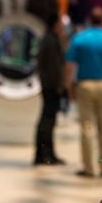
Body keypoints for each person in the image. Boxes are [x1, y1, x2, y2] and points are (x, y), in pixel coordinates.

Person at [64, 7, 102, 178]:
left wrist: (69, 87)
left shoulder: (79, 39)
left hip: (85, 85)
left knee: (86, 127)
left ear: (89, 20)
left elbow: (69, 66)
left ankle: (89, 168)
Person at [33, 13, 66, 165]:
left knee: (48, 121)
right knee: (47, 122)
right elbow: (54, 68)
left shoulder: (49, 40)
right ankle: (44, 154)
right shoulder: (51, 41)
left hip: (49, 86)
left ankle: (47, 153)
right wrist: (59, 86)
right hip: (51, 87)